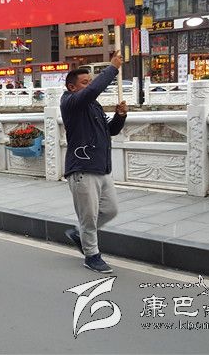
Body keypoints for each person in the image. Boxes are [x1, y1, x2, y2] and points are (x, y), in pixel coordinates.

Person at [60, 52, 127, 274]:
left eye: (90, 81)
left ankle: (79, 234)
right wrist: (112, 68)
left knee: (110, 210)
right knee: (88, 217)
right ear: (72, 87)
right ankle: (92, 256)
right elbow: (92, 92)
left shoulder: (93, 106)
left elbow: (110, 131)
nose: (89, 85)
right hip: (82, 168)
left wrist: (120, 116)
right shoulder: (70, 103)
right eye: (84, 82)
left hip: (102, 167)